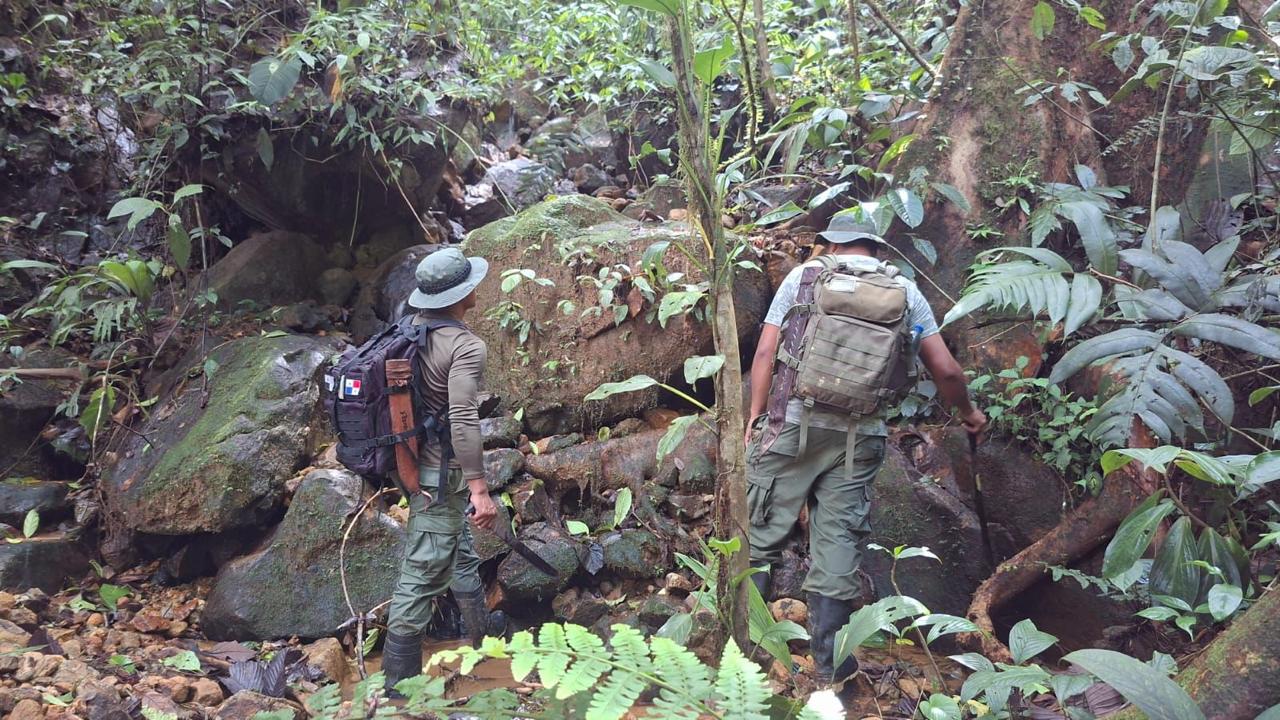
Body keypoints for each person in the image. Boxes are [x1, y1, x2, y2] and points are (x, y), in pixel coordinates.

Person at [744, 213, 988, 691]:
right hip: (859, 437)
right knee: (837, 543)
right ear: (875, 247)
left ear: (832, 245)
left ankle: (742, 655)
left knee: (759, 535)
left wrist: (756, 414)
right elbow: (946, 370)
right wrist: (969, 413)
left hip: (790, 424)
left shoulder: (804, 277)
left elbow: (765, 354)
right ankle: (831, 668)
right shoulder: (905, 292)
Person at [381, 246, 505, 694]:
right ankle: (398, 691)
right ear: (461, 294)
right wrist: (479, 489)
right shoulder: (466, 346)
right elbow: (463, 417)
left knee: (459, 550)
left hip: (408, 462)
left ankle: (481, 641)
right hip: (438, 472)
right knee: (422, 573)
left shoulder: (408, 330)